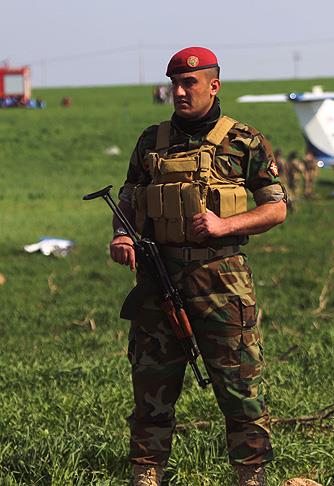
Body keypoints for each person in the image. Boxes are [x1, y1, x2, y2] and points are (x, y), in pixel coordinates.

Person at [108, 46, 287, 486]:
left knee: (240, 383)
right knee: (151, 383)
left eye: (190, 83)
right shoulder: (151, 141)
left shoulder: (244, 140)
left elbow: (276, 207)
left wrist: (227, 225)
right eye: (175, 84)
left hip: (221, 279)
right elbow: (129, 198)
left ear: (214, 85)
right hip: (160, 277)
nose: (180, 92)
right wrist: (123, 234)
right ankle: (146, 472)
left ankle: (250, 474)